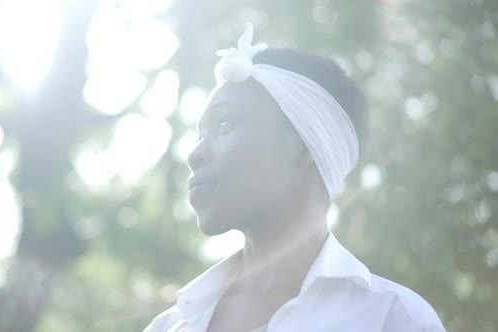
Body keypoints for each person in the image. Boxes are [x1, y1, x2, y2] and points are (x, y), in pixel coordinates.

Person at [144, 23, 445, 332]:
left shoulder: (394, 319)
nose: (195, 154)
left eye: (224, 125)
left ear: (307, 144)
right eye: (198, 136)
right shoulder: (170, 325)